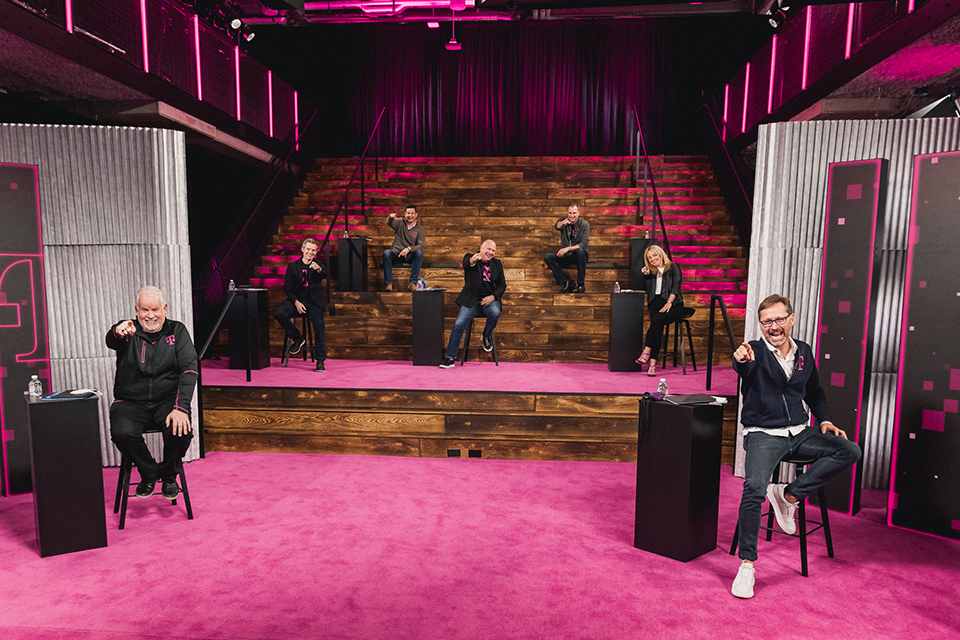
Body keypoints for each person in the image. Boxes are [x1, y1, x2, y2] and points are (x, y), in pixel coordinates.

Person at [730, 294, 862, 599]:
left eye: (779, 319)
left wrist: (825, 420)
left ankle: (788, 494)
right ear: (760, 324)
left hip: (799, 432)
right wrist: (741, 361)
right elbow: (745, 372)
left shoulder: (804, 351)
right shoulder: (754, 352)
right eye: (767, 321)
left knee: (849, 450)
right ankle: (748, 565)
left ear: (791, 318)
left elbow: (814, 391)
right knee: (753, 489)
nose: (773, 326)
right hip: (764, 434)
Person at [107, 286, 198, 500]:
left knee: (181, 430)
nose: (150, 315)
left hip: (166, 401)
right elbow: (111, 340)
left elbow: (190, 369)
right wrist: (116, 330)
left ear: (164, 309)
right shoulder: (127, 331)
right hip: (130, 402)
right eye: (145, 310)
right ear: (136, 311)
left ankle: (168, 475)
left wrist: (181, 408)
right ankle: (149, 473)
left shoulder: (177, 331)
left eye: (155, 309)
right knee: (121, 432)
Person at [440, 239, 506, 369]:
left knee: (495, 312)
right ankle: (450, 357)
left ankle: (486, 335)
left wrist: (493, 297)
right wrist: (472, 260)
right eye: (488, 249)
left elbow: (502, 285)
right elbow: (467, 263)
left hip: (489, 300)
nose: (491, 252)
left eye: (493, 251)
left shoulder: (497, 264)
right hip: (471, 301)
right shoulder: (471, 258)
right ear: (481, 248)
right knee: (459, 324)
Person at [274, 237, 327, 371]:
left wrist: (319, 269)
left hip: (313, 302)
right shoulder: (293, 267)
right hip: (297, 300)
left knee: (319, 325)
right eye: (308, 249)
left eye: (313, 250)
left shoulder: (318, 265)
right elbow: (288, 288)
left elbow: (326, 273)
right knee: (279, 314)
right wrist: (296, 302)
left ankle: (320, 360)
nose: (310, 252)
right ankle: (298, 338)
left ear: (316, 252)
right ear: (302, 249)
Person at [635, 244, 684, 376]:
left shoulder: (674, 267)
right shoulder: (651, 272)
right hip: (656, 303)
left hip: (674, 303)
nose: (652, 259)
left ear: (660, 254)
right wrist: (645, 275)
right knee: (656, 327)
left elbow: (676, 287)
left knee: (656, 322)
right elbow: (645, 289)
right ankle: (651, 366)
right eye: (649, 257)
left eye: (654, 255)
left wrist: (669, 302)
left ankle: (647, 352)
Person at [544, 203, 589, 293]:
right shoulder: (563, 221)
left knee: (580, 251)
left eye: (574, 213)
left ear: (578, 213)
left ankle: (581, 285)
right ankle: (565, 282)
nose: (572, 215)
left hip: (579, 256)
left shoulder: (584, 224)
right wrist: (562, 223)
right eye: (570, 213)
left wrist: (567, 248)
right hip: (567, 256)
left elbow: (583, 244)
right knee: (548, 257)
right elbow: (557, 226)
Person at [383, 205, 426, 292]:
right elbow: (389, 222)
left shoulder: (420, 229)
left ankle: (412, 283)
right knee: (386, 253)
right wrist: (390, 217)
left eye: (412, 213)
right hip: (396, 254)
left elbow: (420, 246)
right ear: (405, 214)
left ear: (416, 214)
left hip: (409, 256)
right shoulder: (399, 222)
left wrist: (409, 249)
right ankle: (388, 284)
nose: (410, 215)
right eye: (408, 213)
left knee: (419, 253)